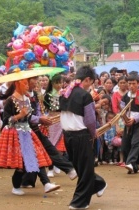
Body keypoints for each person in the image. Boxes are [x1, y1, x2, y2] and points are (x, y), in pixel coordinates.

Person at [0, 78, 60, 195]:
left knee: (36, 156)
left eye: (28, 84)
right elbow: (6, 120)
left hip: (27, 132)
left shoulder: (27, 98)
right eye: (25, 83)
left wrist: (37, 119)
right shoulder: (10, 100)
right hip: (15, 135)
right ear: (18, 84)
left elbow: (29, 117)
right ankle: (17, 186)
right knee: (21, 164)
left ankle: (46, 183)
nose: (28, 86)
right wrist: (19, 115)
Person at [59, 65, 106, 209]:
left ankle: (79, 201)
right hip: (79, 136)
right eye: (91, 83)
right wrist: (94, 134)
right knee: (83, 168)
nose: (90, 87)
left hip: (70, 135)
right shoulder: (85, 96)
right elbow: (90, 120)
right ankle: (98, 184)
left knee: (82, 168)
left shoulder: (64, 93)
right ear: (87, 80)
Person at [121, 74, 139, 174]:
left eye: (133, 83)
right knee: (125, 146)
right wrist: (124, 118)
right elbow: (122, 110)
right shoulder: (124, 97)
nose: (131, 86)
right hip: (127, 123)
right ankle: (134, 167)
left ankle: (130, 163)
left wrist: (134, 119)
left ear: (138, 84)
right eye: (130, 83)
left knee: (135, 143)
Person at [43, 73, 66, 178]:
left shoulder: (64, 93)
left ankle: (57, 163)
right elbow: (46, 108)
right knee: (51, 144)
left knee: (61, 146)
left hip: (62, 121)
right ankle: (51, 168)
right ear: (52, 83)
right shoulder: (47, 95)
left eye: (61, 82)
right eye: (57, 83)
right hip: (52, 121)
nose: (59, 85)